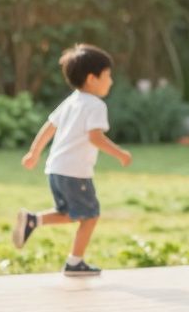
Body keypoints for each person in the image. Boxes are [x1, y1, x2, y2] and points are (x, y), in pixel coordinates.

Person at [13, 43, 132, 276]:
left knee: (70, 213)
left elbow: (49, 128)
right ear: (91, 79)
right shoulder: (95, 105)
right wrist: (120, 153)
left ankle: (32, 220)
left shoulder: (71, 101)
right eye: (108, 76)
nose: (111, 81)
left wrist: (34, 152)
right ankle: (75, 262)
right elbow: (95, 137)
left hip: (55, 170)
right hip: (75, 172)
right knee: (90, 215)